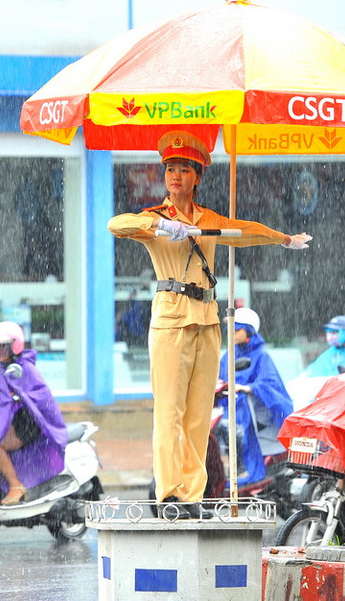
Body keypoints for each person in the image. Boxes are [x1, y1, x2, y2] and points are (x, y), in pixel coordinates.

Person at [107, 129, 311, 518]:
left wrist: (283, 239)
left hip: (206, 320)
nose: (175, 176)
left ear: (197, 176)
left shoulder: (208, 220)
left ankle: (192, 495)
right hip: (170, 320)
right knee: (169, 412)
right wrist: (160, 228)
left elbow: (244, 231)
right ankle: (168, 493)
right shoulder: (155, 217)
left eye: (184, 169)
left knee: (199, 415)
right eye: (170, 169)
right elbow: (117, 224)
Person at [0, 321, 68, 505]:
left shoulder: (25, 369)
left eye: (3, 346)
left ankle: (16, 486)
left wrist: (18, 396)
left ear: (15, 346)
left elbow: (40, 397)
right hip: (7, 422)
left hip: (27, 423)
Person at [213, 308, 293, 488]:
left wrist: (249, 388)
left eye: (236, 329)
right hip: (229, 407)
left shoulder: (262, 356)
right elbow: (218, 376)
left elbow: (270, 383)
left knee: (237, 429)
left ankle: (243, 469)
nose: (230, 333)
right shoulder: (228, 355)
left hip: (254, 409)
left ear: (249, 330)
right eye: (230, 329)